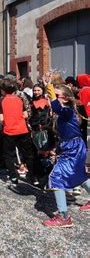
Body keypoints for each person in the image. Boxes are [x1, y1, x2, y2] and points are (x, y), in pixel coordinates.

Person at [42, 84, 90, 227]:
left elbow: (56, 107)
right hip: (72, 147)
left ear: (66, 98)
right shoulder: (66, 112)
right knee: (80, 175)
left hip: (73, 149)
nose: (52, 99)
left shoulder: (67, 111)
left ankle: (63, 217)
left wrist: (49, 89)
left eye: (57, 96)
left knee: (56, 177)